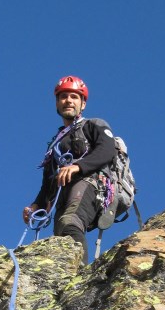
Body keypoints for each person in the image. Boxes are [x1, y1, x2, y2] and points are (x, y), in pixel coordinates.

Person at [22, 76, 117, 264]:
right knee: (60, 236)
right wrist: (36, 205)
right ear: (57, 103)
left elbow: (107, 150)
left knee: (70, 222)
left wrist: (78, 166)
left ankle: (79, 275)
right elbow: (47, 182)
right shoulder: (55, 143)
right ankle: (66, 276)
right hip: (62, 194)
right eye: (63, 96)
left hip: (91, 183)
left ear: (83, 104)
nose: (68, 100)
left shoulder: (94, 125)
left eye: (74, 97)